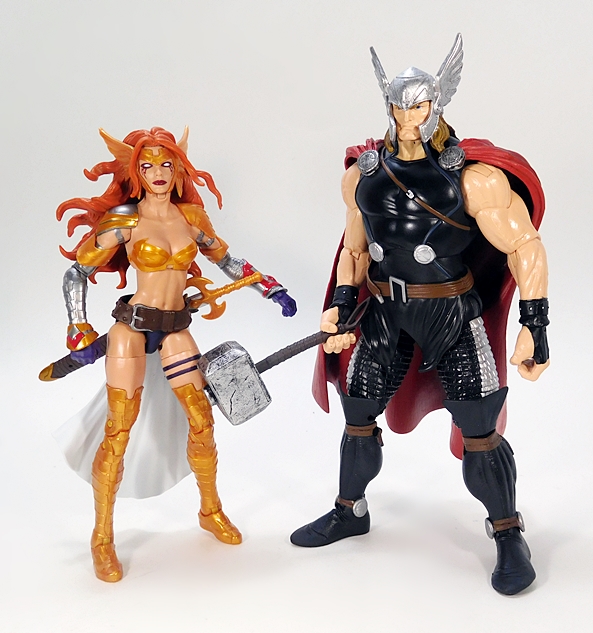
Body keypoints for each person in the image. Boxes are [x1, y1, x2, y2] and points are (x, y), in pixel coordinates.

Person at [290, 35, 549, 596]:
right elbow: (355, 250)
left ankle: (508, 532)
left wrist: (536, 325)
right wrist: (340, 307)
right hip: (384, 312)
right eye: (398, 106)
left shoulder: (473, 179)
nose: (408, 118)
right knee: (358, 412)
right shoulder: (364, 175)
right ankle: (350, 510)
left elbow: (524, 246)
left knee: (479, 427)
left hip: (452, 313)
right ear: (387, 106)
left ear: (437, 105)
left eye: (419, 106)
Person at [55, 126, 296, 582]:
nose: (158, 173)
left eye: (166, 164)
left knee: (202, 421)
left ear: (178, 168)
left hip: (176, 330)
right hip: (131, 331)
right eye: (147, 166)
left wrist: (269, 287)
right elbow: (76, 273)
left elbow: (228, 261)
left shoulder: (190, 218)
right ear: (136, 173)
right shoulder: (124, 220)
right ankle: (102, 537)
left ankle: (210, 510)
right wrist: (78, 329)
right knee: (118, 432)